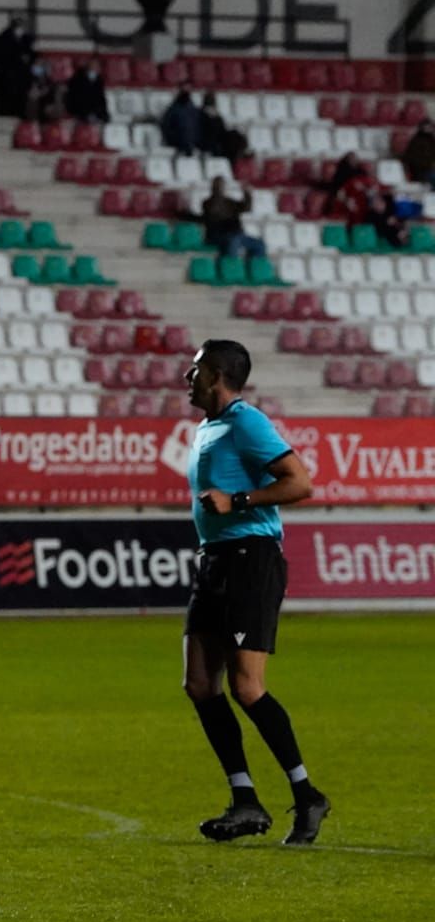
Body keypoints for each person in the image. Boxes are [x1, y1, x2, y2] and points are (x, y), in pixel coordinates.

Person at [181, 340, 328, 846]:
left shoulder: (247, 422)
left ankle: (306, 794)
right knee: (199, 683)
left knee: (247, 687)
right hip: (216, 561)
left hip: (251, 561)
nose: (187, 376)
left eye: (196, 369)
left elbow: (300, 483)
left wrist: (238, 499)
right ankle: (245, 799)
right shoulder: (207, 427)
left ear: (217, 374)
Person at [201, 177, 264, 259]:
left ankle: (254, 268)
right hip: (218, 236)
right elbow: (215, 213)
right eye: (218, 185)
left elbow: (246, 208)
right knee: (233, 241)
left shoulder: (230, 202)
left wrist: (247, 194)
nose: (220, 188)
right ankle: (231, 268)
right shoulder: (208, 203)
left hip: (237, 234)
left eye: (222, 185)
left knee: (259, 244)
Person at [160, 88, 200, 156]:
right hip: (177, 141)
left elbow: (198, 127)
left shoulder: (193, 110)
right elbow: (165, 126)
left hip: (191, 141)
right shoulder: (172, 110)